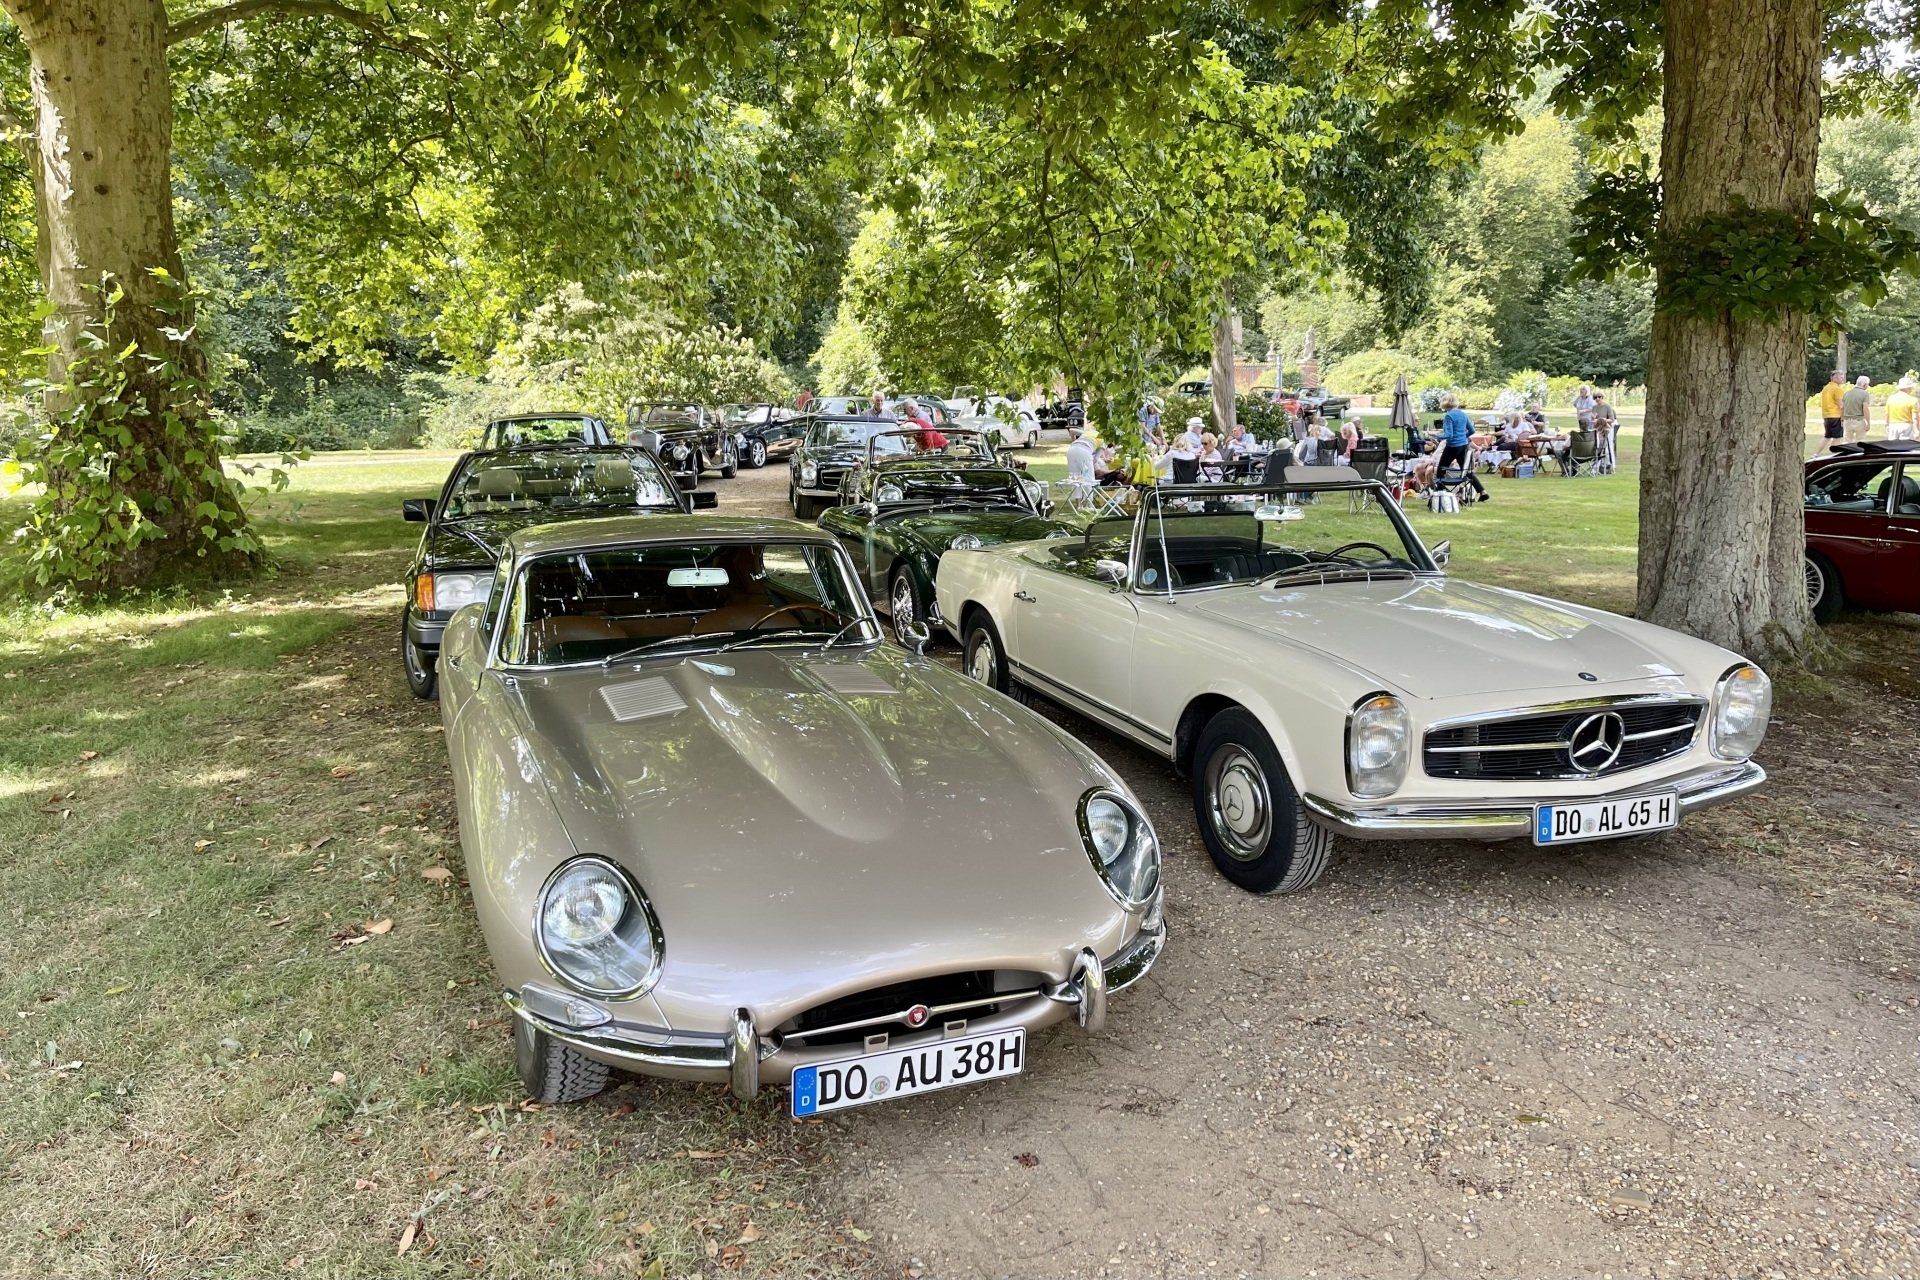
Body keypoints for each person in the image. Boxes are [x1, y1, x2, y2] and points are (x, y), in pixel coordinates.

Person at [1437, 396, 1488, 500]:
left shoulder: (1448, 416)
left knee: (1440, 470)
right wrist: (1463, 437)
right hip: (1463, 446)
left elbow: (1449, 435)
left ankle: (1442, 494)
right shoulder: (1463, 414)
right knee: (1466, 471)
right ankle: (1482, 492)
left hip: (1452, 446)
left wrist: (1436, 435)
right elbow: (1472, 431)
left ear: (1444, 404)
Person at [1818, 370, 1846, 455]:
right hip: (1835, 415)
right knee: (1837, 437)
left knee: (1827, 436)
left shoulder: (1826, 388)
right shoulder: (1837, 389)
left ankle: (1816, 454)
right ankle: (1834, 454)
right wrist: (1843, 417)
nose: (1842, 379)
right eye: (1841, 377)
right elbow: (1840, 404)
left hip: (1826, 415)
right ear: (1835, 378)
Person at [1841, 374, 1873, 443]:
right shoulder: (1864, 394)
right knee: (1860, 441)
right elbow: (1865, 409)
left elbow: (1842, 407)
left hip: (1847, 420)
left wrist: (1842, 419)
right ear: (1864, 384)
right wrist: (1868, 423)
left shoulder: (1847, 393)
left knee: (1847, 441)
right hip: (1859, 420)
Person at [1591, 393, 1619, 470]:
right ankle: (1597, 465)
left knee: (1609, 447)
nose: (1597, 399)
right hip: (1598, 429)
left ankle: (1612, 465)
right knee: (1599, 447)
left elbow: (1612, 419)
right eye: (1595, 397)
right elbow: (1593, 418)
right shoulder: (1594, 407)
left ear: (1602, 397)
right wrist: (1594, 419)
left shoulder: (1607, 407)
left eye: (1599, 397)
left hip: (1607, 428)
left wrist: (1602, 420)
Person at [1890, 376, 1919, 442]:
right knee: (1905, 447)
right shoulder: (1912, 400)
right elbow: (1915, 417)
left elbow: (1887, 414)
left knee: (1892, 447)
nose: (1912, 388)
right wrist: (1916, 430)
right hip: (1906, 426)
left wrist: (1887, 425)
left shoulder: (1891, 399)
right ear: (1908, 388)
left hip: (1893, 425)